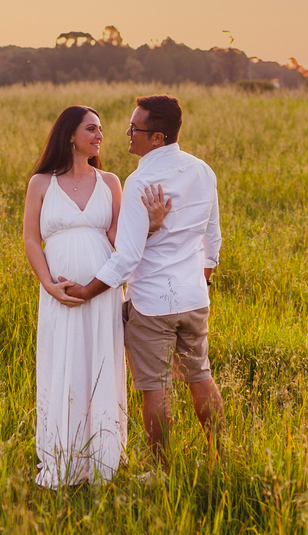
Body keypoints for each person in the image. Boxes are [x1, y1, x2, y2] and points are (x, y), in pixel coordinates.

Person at [63, 95, 224, 466]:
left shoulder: (141, 181)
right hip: (194, 298)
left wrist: (87, 291)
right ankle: (218, 457)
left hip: (152, 304)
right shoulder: (203, 170)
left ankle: (162, 471)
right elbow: (211, 240)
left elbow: (128, 255)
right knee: (200, 377)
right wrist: (200, 280)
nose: (127, 134)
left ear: (157, 138)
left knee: (156, 390)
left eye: (135, 129)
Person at [22, 105, 169, 488]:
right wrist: (49, 285)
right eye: (91, 128)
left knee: (100, 363)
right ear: (70, 135)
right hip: (61, 293)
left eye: (101, 129)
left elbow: (120, 243)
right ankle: (64, 456)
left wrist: (150, 228)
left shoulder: (111, 182)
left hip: (103, 293)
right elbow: (29, 240)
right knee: (66, 363)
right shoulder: (41, 183)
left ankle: (101, 458)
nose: (100, 135)